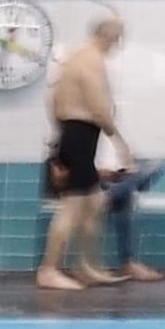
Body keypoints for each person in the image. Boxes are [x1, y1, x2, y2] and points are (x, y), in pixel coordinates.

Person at [37, 15, 133, 290]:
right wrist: (121, 145)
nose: (117, 46)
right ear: (110, 37)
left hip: (75, 136)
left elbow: (53, 101)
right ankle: (48, 270)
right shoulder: (91, 60)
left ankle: (87, 267)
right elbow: (100, 108)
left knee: (94, 203)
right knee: (71, 208)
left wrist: (64, 133)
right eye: (117, 40)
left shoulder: (74, 58)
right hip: (79, 138)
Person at [100, 155, 165, 283]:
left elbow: (124, 157)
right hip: (83, 182)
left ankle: (111, 194)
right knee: (125, 195)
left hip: (107, 181)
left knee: (152, 168)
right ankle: (127, 264)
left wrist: (125, 168)